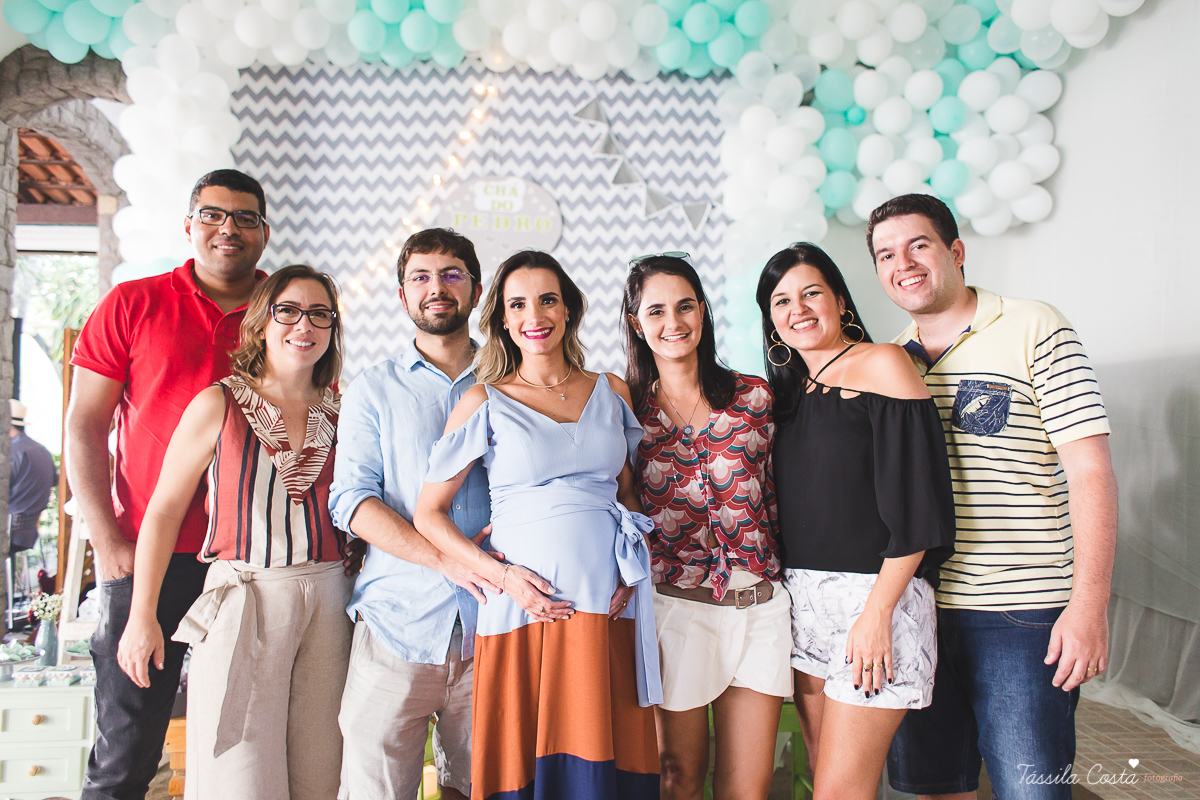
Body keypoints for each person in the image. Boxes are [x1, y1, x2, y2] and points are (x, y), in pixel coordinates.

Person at [867, 195, 1118, 800]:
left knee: (1031, 791)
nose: (904, 263)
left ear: (955, 251)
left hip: (1021, 612)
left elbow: (1090, 471)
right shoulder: (891, 360)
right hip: (922, 608)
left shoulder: (1034, 326)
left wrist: (1089, 604)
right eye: (886, 254)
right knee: (935, 788)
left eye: (919, 245)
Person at [413, 250, 662, 800]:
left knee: (606, 756)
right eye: (518, 304)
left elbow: (626, 492)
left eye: (548, 300)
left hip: (606, 604)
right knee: (525, 760)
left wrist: (630, 571)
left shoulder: (611, 390)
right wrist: (502, 578)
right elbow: (428, 514)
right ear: (503, 318)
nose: (535, 315)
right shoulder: (483, 400)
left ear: (568, 308)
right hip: (523, 607)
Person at [66, 169, 270, 800]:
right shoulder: (133, 303)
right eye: (213, 215)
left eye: (244, 217)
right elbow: (85, 426)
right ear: (189, 226)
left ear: (264, 233)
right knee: (127, 752)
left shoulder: (285, 311)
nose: (228, 228)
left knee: (247, 749)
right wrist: (107, 541)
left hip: (252, 561)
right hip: (147, 558)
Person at [115, 265, 350, 799]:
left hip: (331, 599)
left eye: (320, 314)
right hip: (244, 595)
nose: (304, 325)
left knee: (323, 775)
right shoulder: (218, 403)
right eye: (288, 311)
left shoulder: (344, 411)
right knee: (238, 776)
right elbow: (163, 512)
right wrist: (141, 616)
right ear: (261, 323)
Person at [758, 243, 956, 800]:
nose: (797, 309)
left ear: (841, 300)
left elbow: (919, 507)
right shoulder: (789, 394)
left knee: (840, 791)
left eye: (811, 293)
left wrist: (877, 614)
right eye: (781, 301)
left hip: (875, 600)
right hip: (804, 604)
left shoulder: (883, 363)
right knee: (825, 779)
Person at [330, 228, 493, 800]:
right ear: (402, 296)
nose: (436, 288)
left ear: (476, 291)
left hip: (494, 630)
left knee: (481, 790)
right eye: (420, 277)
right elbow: (352, 501)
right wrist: (446, 561)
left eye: (451, 275)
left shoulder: (514, 381)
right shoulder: (373, 389)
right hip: (395, 628)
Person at [622, 254, 789, 800]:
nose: (674, 322)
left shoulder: (754, 398)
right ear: (636, 323)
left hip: (758, 608)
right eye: (657, 311)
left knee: (747, 788)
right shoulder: (626, 413)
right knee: (678, 778)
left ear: (703, 311)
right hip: (676, 610)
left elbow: (783, 493)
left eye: (685, 306)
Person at [9, 399, 58, 554]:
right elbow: (54, 481)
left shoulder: (11, 453)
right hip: (27, 534)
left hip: (8, 533)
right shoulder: (41, 450)